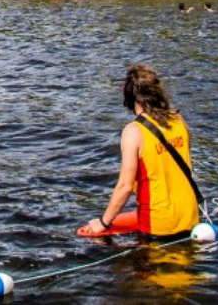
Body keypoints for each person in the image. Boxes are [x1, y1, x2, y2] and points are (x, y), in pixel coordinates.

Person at [80, 64, 200, 239]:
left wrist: (103, 222)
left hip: (158, 227)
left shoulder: (133, 132)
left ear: (129, 96)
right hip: (191, 220)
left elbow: (125, 186)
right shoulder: (179, 120)